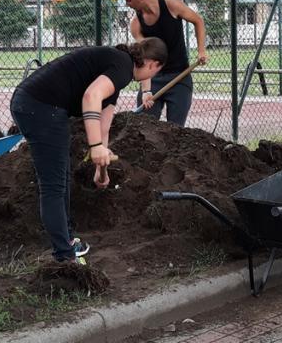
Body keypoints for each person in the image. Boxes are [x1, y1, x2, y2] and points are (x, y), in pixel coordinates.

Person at [10, 39, 168, 264]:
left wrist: (100, 169)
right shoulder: (122, 66)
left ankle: (67, 242)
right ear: (152, 64)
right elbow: (91, 97)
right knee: (53, 184)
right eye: (157, 71)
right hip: (39, 107)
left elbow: (103, 128)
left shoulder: (117, 72)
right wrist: (94, 147)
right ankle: (64, 259)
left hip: (42, 107)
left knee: (61, 177)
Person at [119, 0, 208, 126]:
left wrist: (201, 51)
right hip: (154, 79)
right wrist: (147, 91)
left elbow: (198, 21)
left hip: (180, 77)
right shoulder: (136, 25)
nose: (127, 4)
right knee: (145, 127)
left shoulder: (171, 5)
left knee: (176, 130)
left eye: (129, 0)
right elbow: (143, 60)